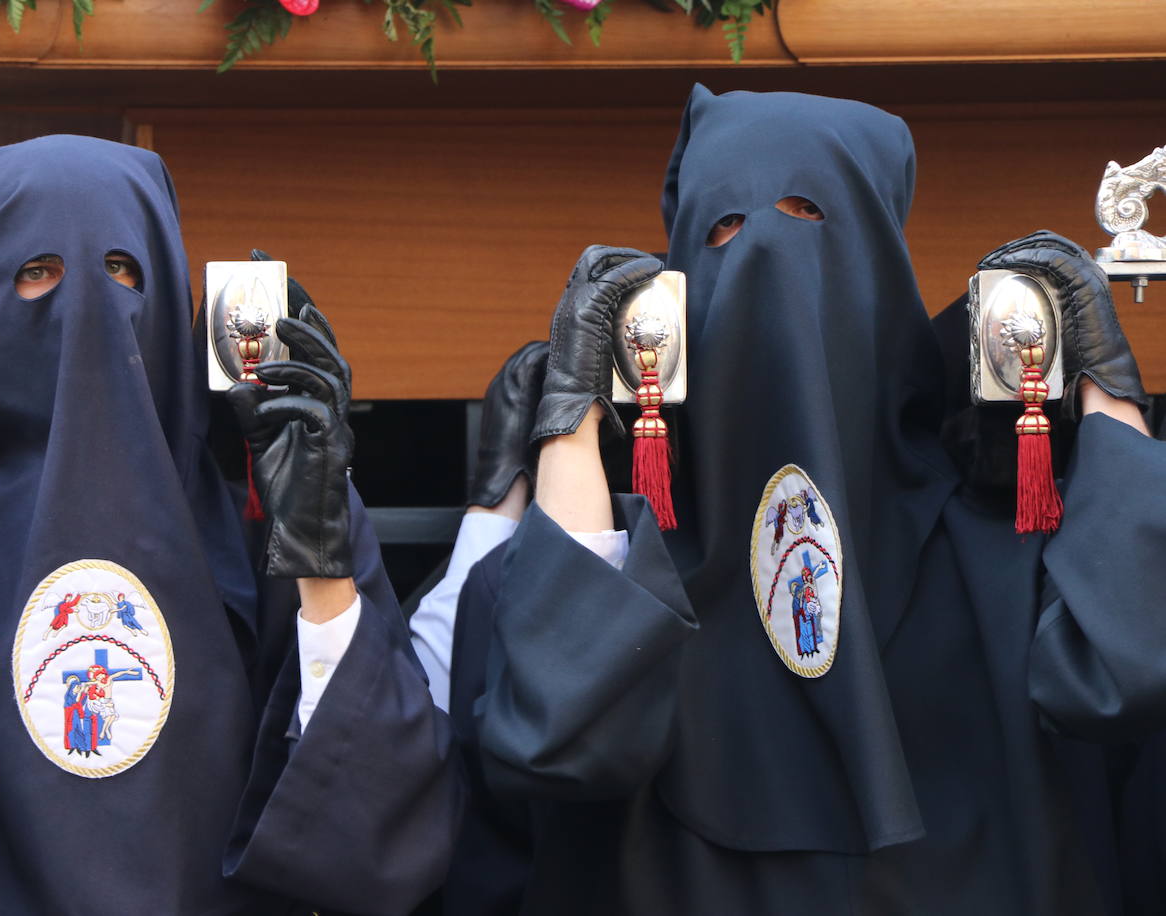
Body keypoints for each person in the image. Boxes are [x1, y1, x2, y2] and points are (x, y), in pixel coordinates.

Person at [445, 86, 1166, 914]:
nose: (765, 259)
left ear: (879, 268)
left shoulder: (1005, 564)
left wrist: (1106, 387)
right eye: (726, 229)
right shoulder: (598, 574)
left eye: (810, 217)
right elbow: (553, 741)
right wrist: (570, 422)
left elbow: (1136, 671)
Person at [0, 135, 462, 915]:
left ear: (170, 295)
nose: (86, 308)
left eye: (120, 269)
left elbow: (389, 838)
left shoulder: (268, 523)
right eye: (36, 271)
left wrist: (323, 570)